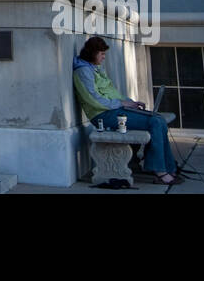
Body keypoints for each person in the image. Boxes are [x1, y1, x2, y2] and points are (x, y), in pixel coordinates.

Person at [73, 36, 181, 185]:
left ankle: (169, 167)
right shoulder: (83, 71)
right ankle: (159, 171)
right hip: (103, 115)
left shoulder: (95, 68)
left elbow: (113, 93)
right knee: (155, 122)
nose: (104, 57)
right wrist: (121, 103)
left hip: (115, 110)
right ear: (92, 53)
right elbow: (94, 99)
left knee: (158, 118)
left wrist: (131, 103)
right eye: (101, 54)